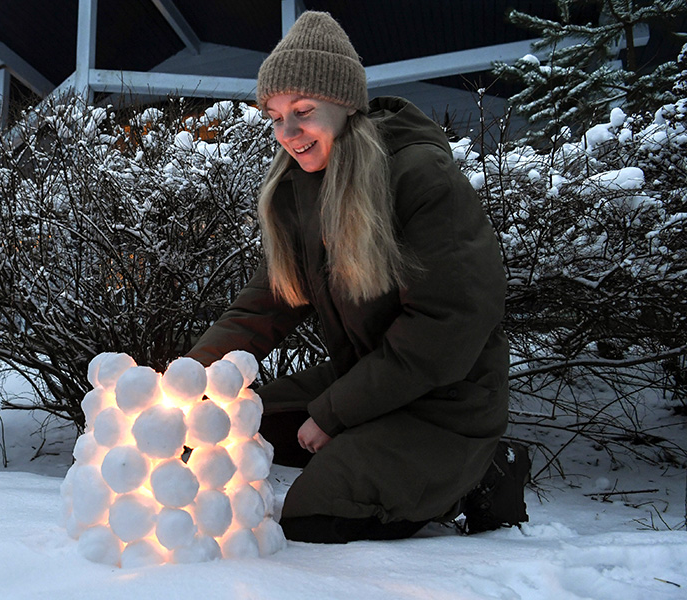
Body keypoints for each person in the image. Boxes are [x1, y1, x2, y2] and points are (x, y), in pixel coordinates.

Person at [186, 11, 530, 543]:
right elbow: (269, 302)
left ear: (346, 105)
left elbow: (447, 325)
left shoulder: (419, 178)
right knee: (229, 422)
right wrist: (186, 382)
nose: (288, 133)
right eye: (275, 117)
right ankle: (372, 447)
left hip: (446, 402)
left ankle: (480, 472)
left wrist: (332, 414)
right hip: (374, 384)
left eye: (303, 111)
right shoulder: (303, 187)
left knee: (313, 514)